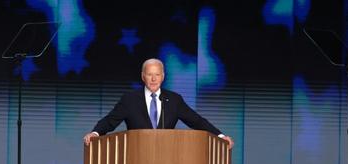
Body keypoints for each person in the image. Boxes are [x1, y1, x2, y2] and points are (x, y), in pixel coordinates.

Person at [82, 58, 234, 148]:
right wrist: (95, 133)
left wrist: (220, 136)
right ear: (143, 77)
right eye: (149, 75)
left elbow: (196, 121)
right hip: (136, 159)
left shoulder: (174, 100)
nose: (153, 79)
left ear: (163, 77)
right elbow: (110, 121)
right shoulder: (130, 99)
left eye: (157, 75)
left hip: (167, 159)